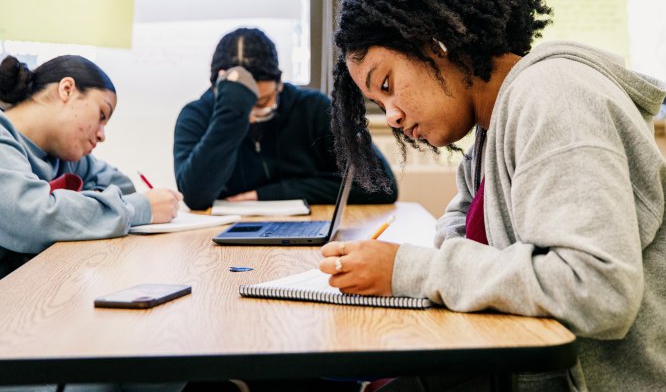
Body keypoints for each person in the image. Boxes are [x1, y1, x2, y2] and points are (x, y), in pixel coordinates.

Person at [319, 0, 666, 391]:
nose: (395, 115)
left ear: (435, 42)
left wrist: (408, 270)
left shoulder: (555, 99)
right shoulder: (492, 124)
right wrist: (434, 264)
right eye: (380, 107)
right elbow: (462, 222)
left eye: (387, 86)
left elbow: (596, 290)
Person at [0, 54, 182, 280]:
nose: (101, 135)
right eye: (102, 115)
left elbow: (122, 186)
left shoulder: (65, 158)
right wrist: (137, 208)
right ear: (67, 90)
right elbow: (31, 216)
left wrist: (82, 206)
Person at [174, 27, 397, 210]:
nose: (251, 114)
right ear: (216, 89)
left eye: (260, 102)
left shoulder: (314, 109)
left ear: (279, 83)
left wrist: (271, 194)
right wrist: (230, 116)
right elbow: (195, 197)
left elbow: (381, 184)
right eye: (242, 104)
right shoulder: (196, 116)